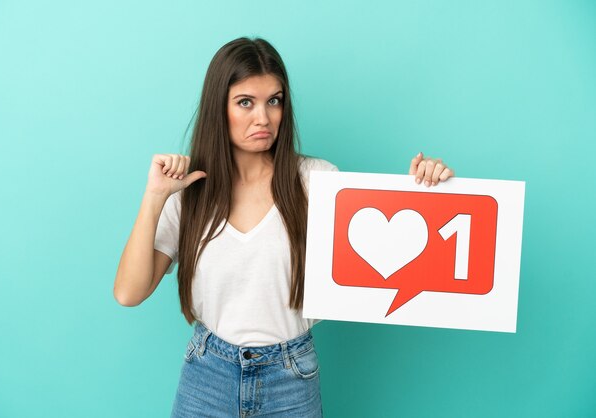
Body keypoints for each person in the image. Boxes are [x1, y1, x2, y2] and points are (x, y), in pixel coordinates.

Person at [113, 37, 454, 418]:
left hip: (291, 378)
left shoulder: (318, 181)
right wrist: (155, 195)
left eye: (274, 100)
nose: (264, 117)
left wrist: (422, 193)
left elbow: (383, 257)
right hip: (207, 375)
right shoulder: (189, 192)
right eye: (246, 102)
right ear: (218, 107)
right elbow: (129, 292)